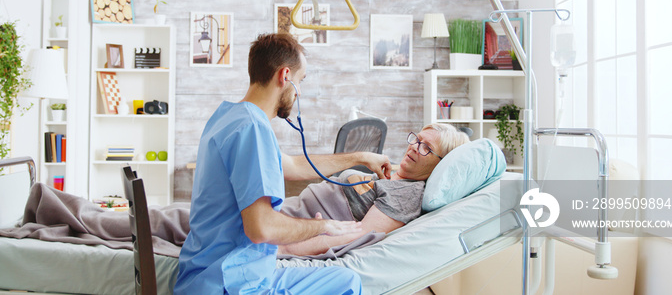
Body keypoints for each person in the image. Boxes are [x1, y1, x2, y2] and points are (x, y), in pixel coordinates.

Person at [174, 33, 391, 294]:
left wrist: (360, 157)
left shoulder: (230, 117)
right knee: (347, 285)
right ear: (285, 75)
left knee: (346, 280)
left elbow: (294, 166)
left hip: (213, 273)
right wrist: (323, 227)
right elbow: (261, 228)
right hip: (230, 283)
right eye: (300, 82)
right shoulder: (252, 128)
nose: (298, 93)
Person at [278, 123, 469, 257]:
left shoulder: (407, 194)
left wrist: (286, 250)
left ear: (440, 164)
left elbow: (359, 236)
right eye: (416, 140)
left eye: (426, 147)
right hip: (285, 211)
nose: (413, 148)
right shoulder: (393, 171)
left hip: (288, 227)